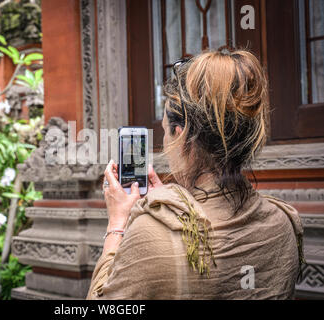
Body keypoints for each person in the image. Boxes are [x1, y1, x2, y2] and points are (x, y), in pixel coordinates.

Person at [87, 49, 304, 300]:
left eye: (166, 131)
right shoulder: (284, 224)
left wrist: (117, 225)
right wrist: (174, 202)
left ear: (180, 135)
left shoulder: (152, 234)